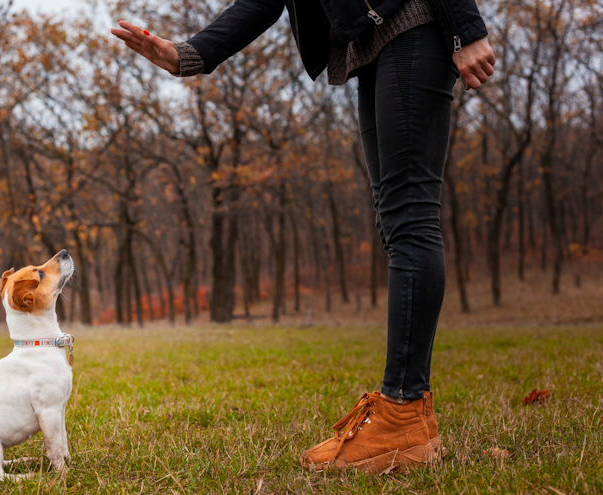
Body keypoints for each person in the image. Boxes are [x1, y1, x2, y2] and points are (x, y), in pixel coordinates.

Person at [112, 0, 494, 474]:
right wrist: (191, 54)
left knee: (410, 220)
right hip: (376, 43)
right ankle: (410, 417)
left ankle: (402, 411)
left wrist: (465, 28)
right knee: (398, 224)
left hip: (413, 23)